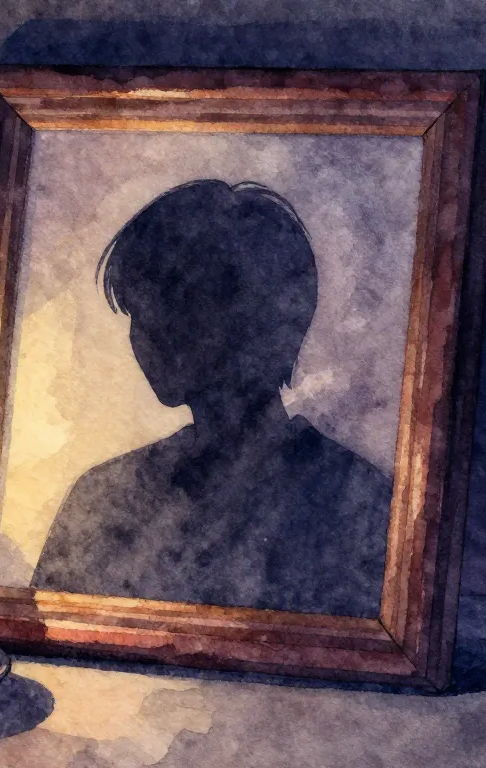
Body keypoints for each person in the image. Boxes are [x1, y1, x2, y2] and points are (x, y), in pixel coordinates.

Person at [30, 180, 390, 618]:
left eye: (180, 305)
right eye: (139, 312)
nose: (150, 334)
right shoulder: (106, 496)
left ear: (262, 320)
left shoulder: (360, 504)